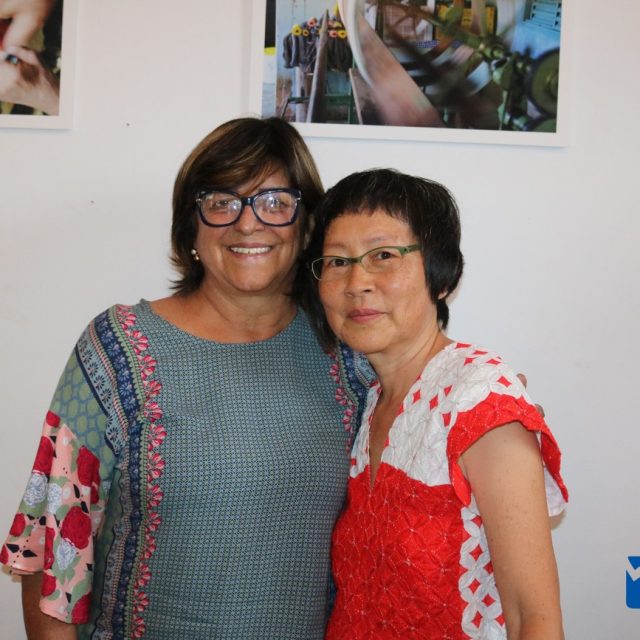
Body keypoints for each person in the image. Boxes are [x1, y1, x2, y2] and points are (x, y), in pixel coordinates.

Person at [0, 117, 371, 639]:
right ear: (190, 226)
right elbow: (53, 545)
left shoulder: (351, 355)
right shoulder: (116, 350)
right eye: (222, 202)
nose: (248, 224)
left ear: (307, 225)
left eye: (274, 201)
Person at [303, 168, 569, 639]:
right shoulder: (370, 400)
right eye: (338, 261)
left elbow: (534, 619)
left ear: (441, 276)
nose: (357, 282)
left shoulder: (480, 398)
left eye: (384, 255)